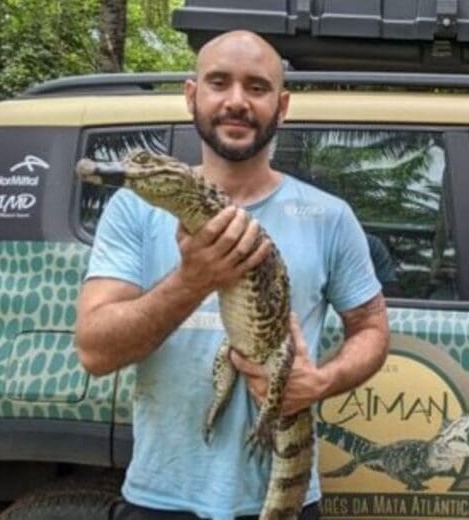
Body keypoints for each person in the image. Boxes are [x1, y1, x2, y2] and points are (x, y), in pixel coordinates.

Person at [76, 30, 390, 520]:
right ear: (191, 95)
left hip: (284, 492)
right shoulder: (131, 211)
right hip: (161, 496)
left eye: (257, 87)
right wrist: (193, 279)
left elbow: (371, 328)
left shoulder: (330, 216)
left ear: (282, 105)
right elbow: (94, 351)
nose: (237, 101)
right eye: (219, 82)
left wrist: (322, 380)